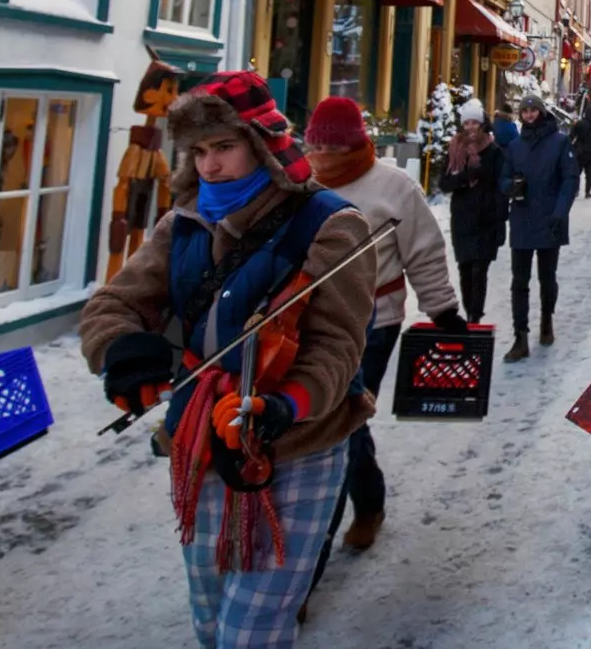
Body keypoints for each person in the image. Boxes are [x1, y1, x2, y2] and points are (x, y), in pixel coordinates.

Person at [81, 71, 377, 649]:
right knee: (210, 617)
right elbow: (113, 304)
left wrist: (287, 404)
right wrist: (121, 350)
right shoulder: (183, 221)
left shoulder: (332, 225)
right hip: (202, 439)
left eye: (223, 147)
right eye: (199, 151)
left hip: (298, 444)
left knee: (252, 633)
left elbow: (338, 347)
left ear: (261, 145)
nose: (210, 166)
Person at [301, 97, 465, 568]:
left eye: (332, 149)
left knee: (340, 419)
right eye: (316, 149)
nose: (323, 159)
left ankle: (319, 543)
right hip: (310, 321)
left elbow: (424, 251)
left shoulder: (393, 187)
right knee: (336, 420)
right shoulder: (299, 185)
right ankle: (368, 501)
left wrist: (441, 309)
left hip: (376, 320)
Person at [501, 95, 578, 362]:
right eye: (525, 111)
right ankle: (520, 336)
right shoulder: (515, 145)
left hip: (550, 219)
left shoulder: (559, 142)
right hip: (522, 219)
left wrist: (560, 212)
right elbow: (504, 176)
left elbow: (569, 179)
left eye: (533, 110)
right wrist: (509, 186)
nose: (529, 115)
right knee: (519, 281)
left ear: (542, 112)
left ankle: (547, 319)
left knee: (547, 277)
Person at [438, 99, 507, 325]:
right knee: (465, 270)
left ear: (481, 123)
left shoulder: (493, 150)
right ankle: (470, 312)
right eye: (466, 122)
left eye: (474, 122)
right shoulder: (454, 149)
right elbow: (444, 183)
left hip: (486, 218)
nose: (470, 127)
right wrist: (464, 178)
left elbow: (500, 188)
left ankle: (475, 316)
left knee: (480, 271)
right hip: (463, 218)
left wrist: (500, 222)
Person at [568, 106, 591, 197]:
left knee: (577, 172)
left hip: (580, 151)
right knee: (590, 174)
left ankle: (576, 190)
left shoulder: (580, 123)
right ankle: (587, 192)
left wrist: (571, 146)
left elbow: (571, 136)